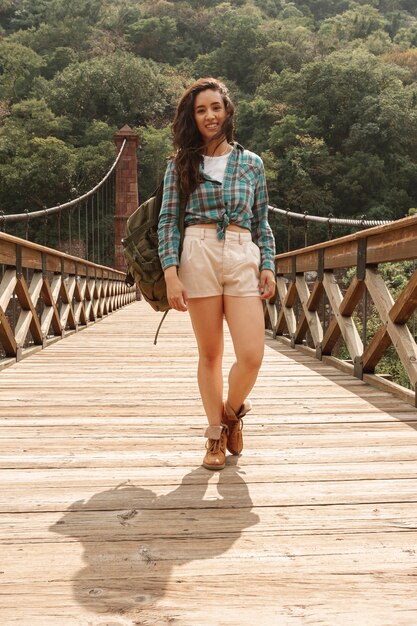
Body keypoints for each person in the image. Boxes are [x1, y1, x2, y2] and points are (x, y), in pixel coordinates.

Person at [158, 77, 276, 471]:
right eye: (201, 110)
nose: (209, 115)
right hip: (198, 252)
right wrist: (171, 274)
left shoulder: (252, 164)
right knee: (210, 353)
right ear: (193, 118)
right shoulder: (180, 164)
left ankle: (230, 413)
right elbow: (168, 222)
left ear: (228, 111)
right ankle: (214, 437)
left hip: (243, 254)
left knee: (252, 355)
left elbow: (263, 222)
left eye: (215, 107)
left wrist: (269, 265)